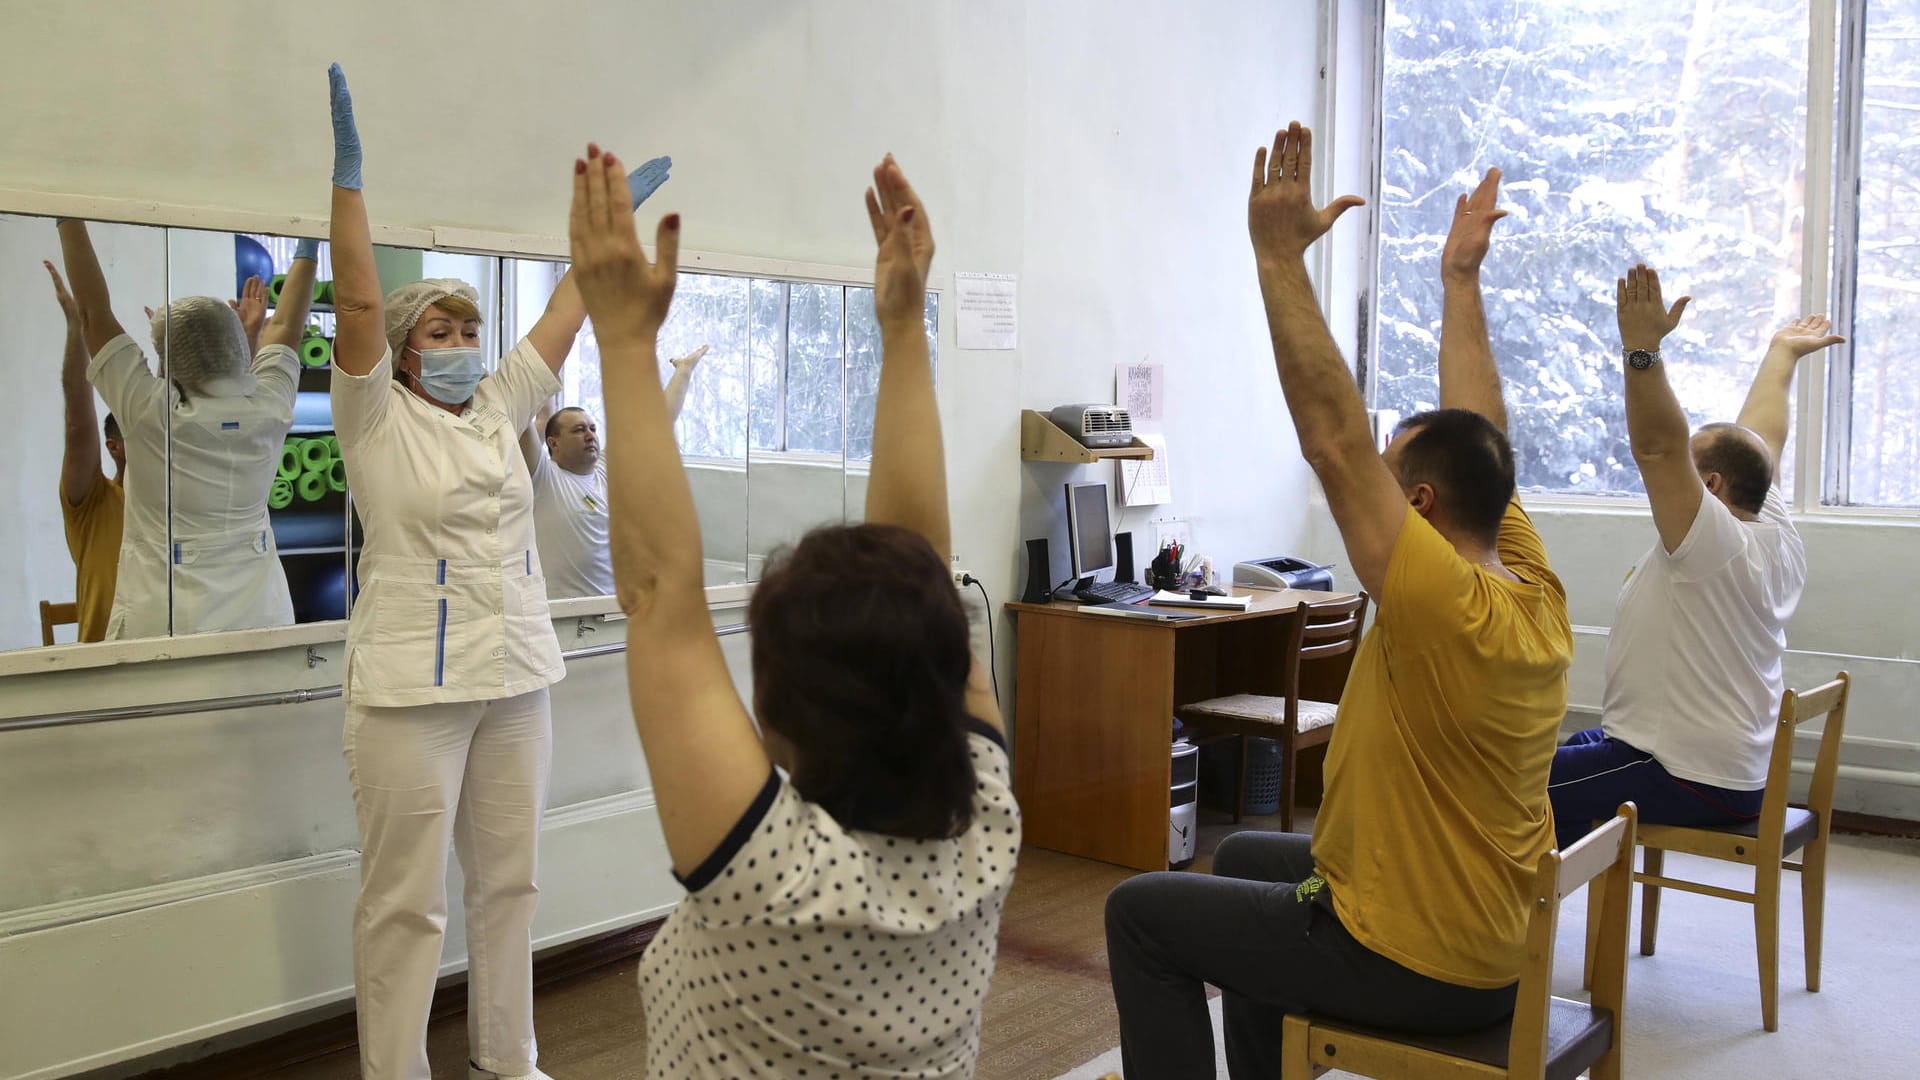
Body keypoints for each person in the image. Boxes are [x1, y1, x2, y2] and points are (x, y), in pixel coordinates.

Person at [1103, 130, 1572, 1079]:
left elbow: (1333, 439)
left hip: (1414, 957)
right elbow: (1481, 434)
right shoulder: (1529, 583)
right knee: (1239, 865)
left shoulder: (1446, 606)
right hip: (1490, 941)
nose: (1371, 498)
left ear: (1423, 509)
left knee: (1140, 915)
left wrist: (1276, 258)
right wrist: (1458, 282)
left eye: (1391, 487)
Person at [569, 144, 1018, 1078]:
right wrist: (903, 331)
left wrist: (618, 339)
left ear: (778, 714)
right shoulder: (990, 829)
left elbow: (658, 596)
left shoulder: (772, 878)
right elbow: (923, 566)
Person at [319, 65, 670, 1080]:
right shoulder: (373, 417)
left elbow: (565, 307)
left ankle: (509, 1061)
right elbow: (352, 298)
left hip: (516, 673)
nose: (466, 347)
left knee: (510, 884)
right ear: (402, 351)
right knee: (406, 903)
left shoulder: (501, 404)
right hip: (407, 692)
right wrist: (349, 182)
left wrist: (606, 238)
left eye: (472, 331)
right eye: (442, 332)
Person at [1546, 268, 1828, 849]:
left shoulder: (1712, 543)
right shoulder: (1770, 526)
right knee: (1543, 761)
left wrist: (1641, 351)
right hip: (1713, 766)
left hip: (1680, 770)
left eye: (1689, 472)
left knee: (1511, 786)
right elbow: (1761, 437)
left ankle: (1521, 910)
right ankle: (1549, 886)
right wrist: (1782, 355)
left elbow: (1656, 446)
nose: (1673, 480)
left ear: (1714, 486)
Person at [57, 220, 314, 639]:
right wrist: (309, 241)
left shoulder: (150, 412)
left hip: (164, 622)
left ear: (169, 361)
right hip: (261, 618)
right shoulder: (271, 406)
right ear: (236, 343)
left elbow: (92, 313)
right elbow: (286, 326)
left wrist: (66, 216)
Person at [519, 344, 706, 598]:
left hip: (613, 615)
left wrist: (683, 371)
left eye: (593, 429)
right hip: (563, 620)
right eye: (578, 430)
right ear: (553, 443)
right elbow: (518, 420)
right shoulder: (543, 477)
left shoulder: (607, 469)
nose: (590, 435)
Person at [46, 260, 126, 643]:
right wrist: (77, 330)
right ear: (114, 447)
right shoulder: (96, 501)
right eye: (135, 434)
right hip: (103, 667)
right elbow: (78, 425)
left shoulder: (168, 505)